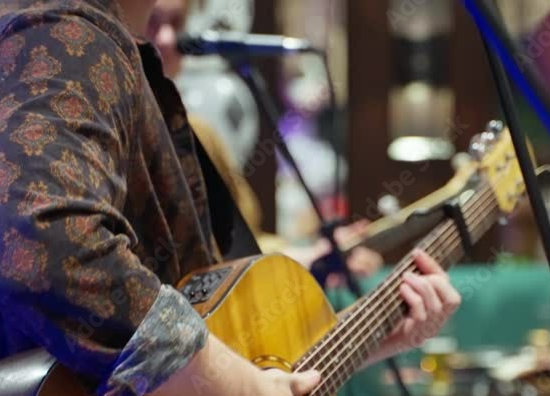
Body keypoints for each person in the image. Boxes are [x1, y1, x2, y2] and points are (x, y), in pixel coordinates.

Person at [0, 0, 461, 396]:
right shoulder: (54, 35)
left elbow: (207, 339)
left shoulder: (91, 46)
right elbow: (49, 253)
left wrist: (357, 337)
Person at [149, 0, 383, 279]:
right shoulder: (121, 138)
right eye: (151, 22)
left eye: (175, 23)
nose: (167, 39)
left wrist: (317, 253)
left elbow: (245, 244)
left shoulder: (199, 132)